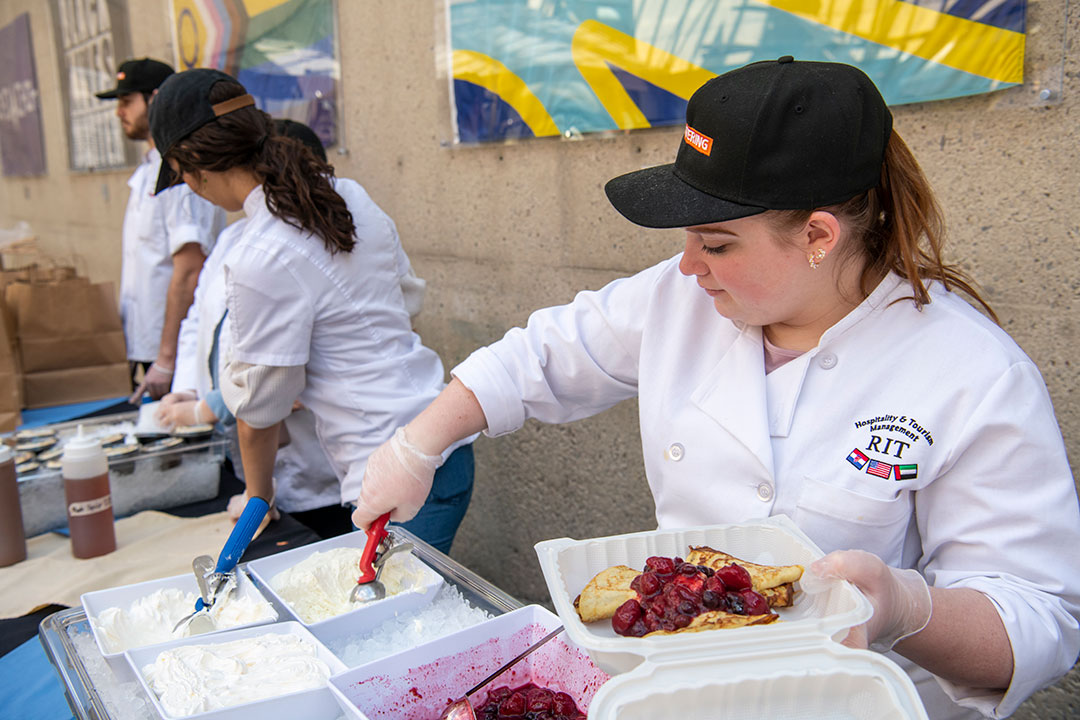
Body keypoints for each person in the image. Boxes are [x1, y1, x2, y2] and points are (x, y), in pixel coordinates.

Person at [349, 57, 1080, 718]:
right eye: (687, 239)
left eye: (718, 243)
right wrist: (420, 445)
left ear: (819, 236)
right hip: (683, 695)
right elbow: (538, 357)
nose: (689, 267)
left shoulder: (972, 372)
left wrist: (905, 609)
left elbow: (1038, 623)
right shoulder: (679, 297)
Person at [147, 68, 475, 553]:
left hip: (390, 469)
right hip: (440, 437)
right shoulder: (349, 195)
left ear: (192, 168)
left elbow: (259, 410)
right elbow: (405, 298)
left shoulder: (259, 253)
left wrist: (259, 497)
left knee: (393, 625)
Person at [95, 58, 225, 400]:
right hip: (150, 349)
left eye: (127, 102)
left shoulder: (180, 173)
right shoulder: (149, 170)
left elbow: (189, 267)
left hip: (176, 352)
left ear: (155, 99)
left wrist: (168, 359)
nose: (119, 112)